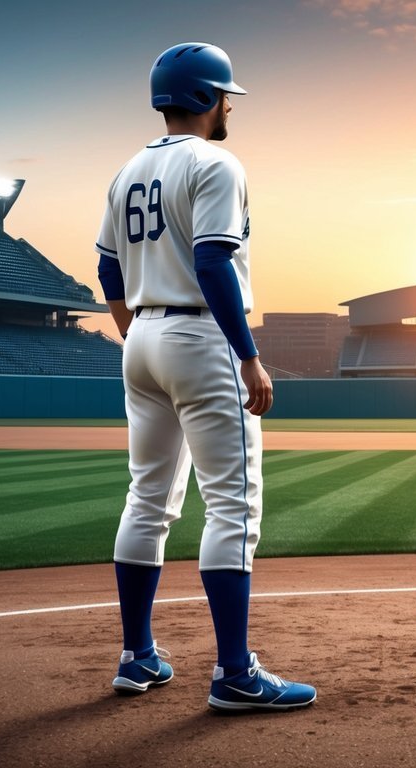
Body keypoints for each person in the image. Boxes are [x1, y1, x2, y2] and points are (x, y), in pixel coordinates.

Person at [94, 42, 315, 713]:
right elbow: (215, 261)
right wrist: (246, 354)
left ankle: (136, 658)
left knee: (148, 499)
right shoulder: (216, 161)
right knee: (232, 507)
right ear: (203, 98)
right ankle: (235, 673)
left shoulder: (127, 171)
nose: (229, 107)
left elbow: (107, 268)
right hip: (200, 335)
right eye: (224, 96)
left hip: (143, 340)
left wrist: (137, 332)